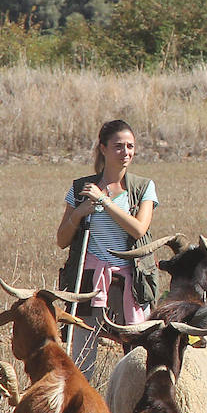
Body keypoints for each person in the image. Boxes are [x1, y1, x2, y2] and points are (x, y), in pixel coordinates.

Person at [54, 119, 159, 380]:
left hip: (131, 281)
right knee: (80, 358)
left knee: (138, 357)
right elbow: (62, 239)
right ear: (103, 149)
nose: (126, 153)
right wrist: (79, 212)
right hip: (89, 280)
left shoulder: (143, 188)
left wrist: (104, 201)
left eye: (130, 146)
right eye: (118, 146)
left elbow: (139, 230)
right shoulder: (80, 188)